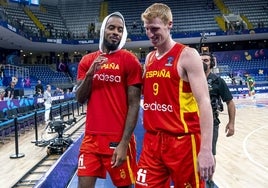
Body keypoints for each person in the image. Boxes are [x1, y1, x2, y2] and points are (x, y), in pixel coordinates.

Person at [136, 3, 215, 188]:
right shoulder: (149, 58)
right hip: (152, 140)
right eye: (146, 29)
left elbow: (204, 102)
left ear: (169, 24)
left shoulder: (187, 55)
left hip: (183, 142)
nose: (150, 34)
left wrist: (206, 149)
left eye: (154, 28)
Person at [76, 12, 142, 188]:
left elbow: (134, 104)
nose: (116, 33)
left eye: (120, 30)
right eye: (111, 28)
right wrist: (90, 74)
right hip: (91, 139)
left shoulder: (130, 60)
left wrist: (124, 143)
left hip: (117, 140)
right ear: (103, 30)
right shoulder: (87, 61)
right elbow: (80, 98)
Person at [200, 50, 236, 187]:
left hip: (211, 124)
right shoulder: (190, 78)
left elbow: (230, 102)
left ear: (212, 63)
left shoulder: (218, 81)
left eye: (206, 60)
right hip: (191, 123)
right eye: (200, 60)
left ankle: (209, 181)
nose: (202, 62)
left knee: (209, 153)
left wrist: (231, 123)